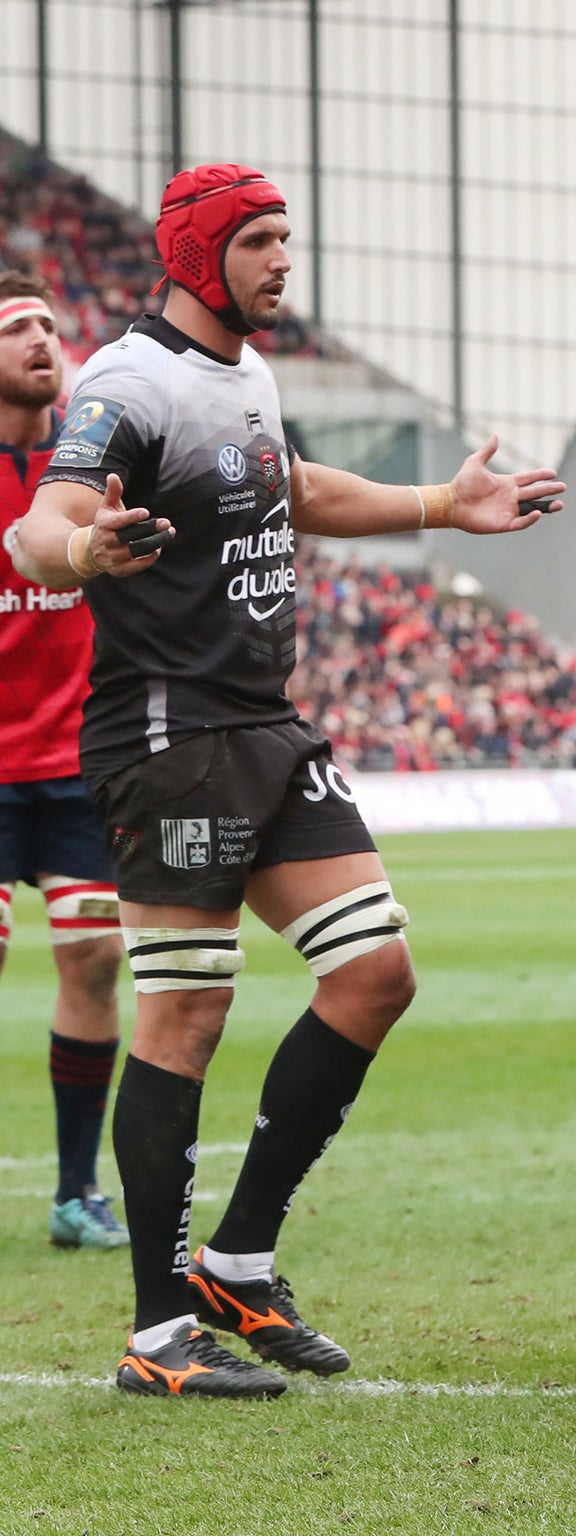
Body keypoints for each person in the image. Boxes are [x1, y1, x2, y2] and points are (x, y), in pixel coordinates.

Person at [15, 163, 565, 1399]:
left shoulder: (246, 375)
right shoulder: (126, 379)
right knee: (184, 1016)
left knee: (375, 973)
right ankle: (159, 1336)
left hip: (264, 725)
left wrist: (442, 504)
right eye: (259, 241)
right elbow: (37, 524)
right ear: (197, 253)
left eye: (284, 239)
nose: (280, 261)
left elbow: (295, 490)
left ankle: (239, 1264)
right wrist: (86, 547)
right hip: (167, 736)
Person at [0, 270, 126, 1250]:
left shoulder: (86, 471)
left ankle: (76, 1196)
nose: (42, 340)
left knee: (91, 955)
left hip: (77, 764)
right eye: (17, 329)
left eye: (48, 324)